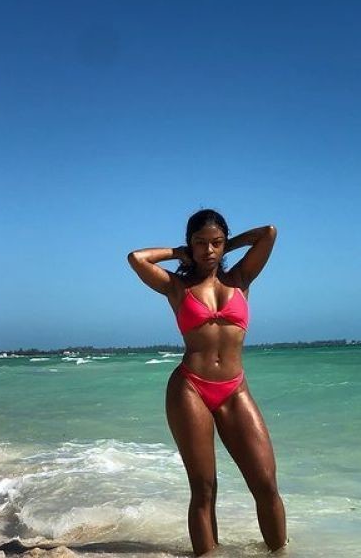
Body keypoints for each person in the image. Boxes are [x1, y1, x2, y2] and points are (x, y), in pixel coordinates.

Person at [127, 208, 287, 556]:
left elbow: (269, 233)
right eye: (200, 243)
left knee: (266, 484)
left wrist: (229, 244)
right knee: (204, 489)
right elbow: (137, 259)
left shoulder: (241, 278)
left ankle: (280, 552)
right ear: (190, 244)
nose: (209, 250)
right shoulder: (177, 287)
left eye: (216, 243)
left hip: (234, 389)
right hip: (190, 389)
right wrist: (178, 253)